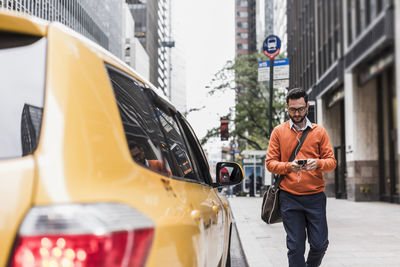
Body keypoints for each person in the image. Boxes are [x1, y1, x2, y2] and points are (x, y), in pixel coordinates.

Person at [266, 88, 336, 267]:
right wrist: (289, 166)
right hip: (289, 197)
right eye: (292, 110)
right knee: (296, 247)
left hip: (315, 197)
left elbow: (332, 162)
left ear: (308, 106)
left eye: (301, 109)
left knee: (320, 245)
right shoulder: (278, 132)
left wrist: (317, 163)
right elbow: (270, 163)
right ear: (287, 108)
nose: (297, 114)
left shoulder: (319, 132)